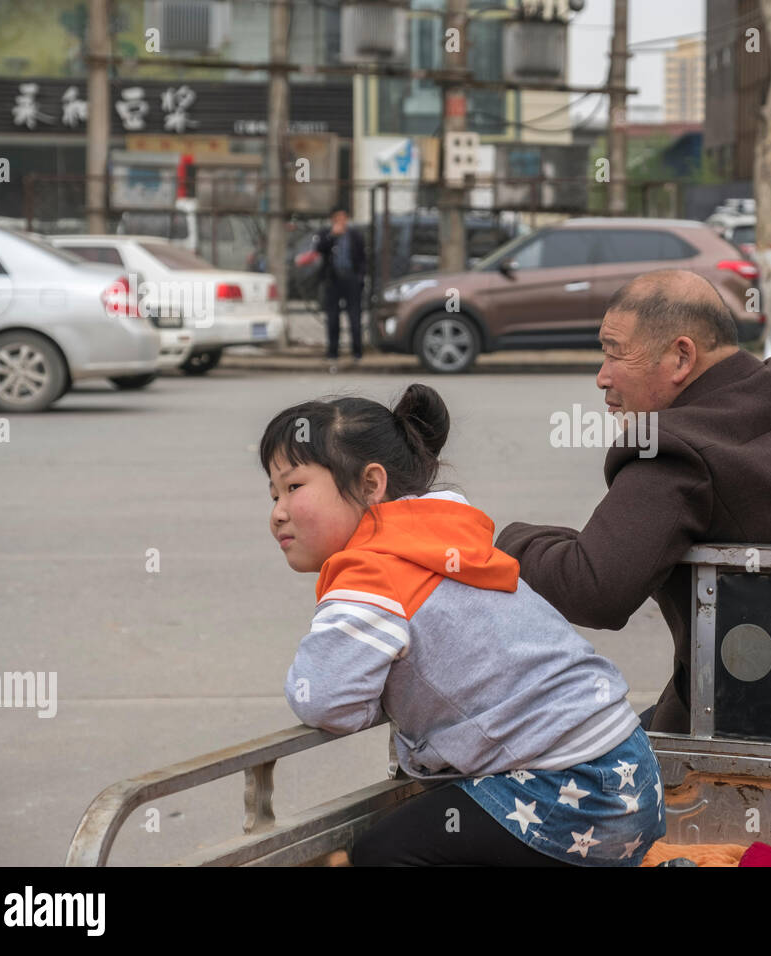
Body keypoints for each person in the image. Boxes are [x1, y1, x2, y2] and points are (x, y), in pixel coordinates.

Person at [261, 385, 665, 866]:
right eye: (272, 493)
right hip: (628, 772)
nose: (277, 512)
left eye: (294, 486)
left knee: (383, 854)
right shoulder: (446, 539)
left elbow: (324, 699)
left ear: (371, 485)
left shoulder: (373, 571)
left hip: (568, 792)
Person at [496, 270, 771, 734]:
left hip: (743, 716)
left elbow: (595, 586)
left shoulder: (674, 447)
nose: (602, 377)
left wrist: (505, 541)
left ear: (681, 357)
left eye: (614, 353)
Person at [314, 206, 366, 368]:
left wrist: (360, 276)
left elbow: (363, 257)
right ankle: (333, 352)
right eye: (337, 218)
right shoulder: (326, 233)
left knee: (354, 316)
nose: (341, 221)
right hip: (333, 279)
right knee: (333, 317)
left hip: (351, 279)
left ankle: (357, 352)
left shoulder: (355, 235)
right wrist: (332, 236)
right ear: (333, 219)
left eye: (343, 217)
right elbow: (319, 248)